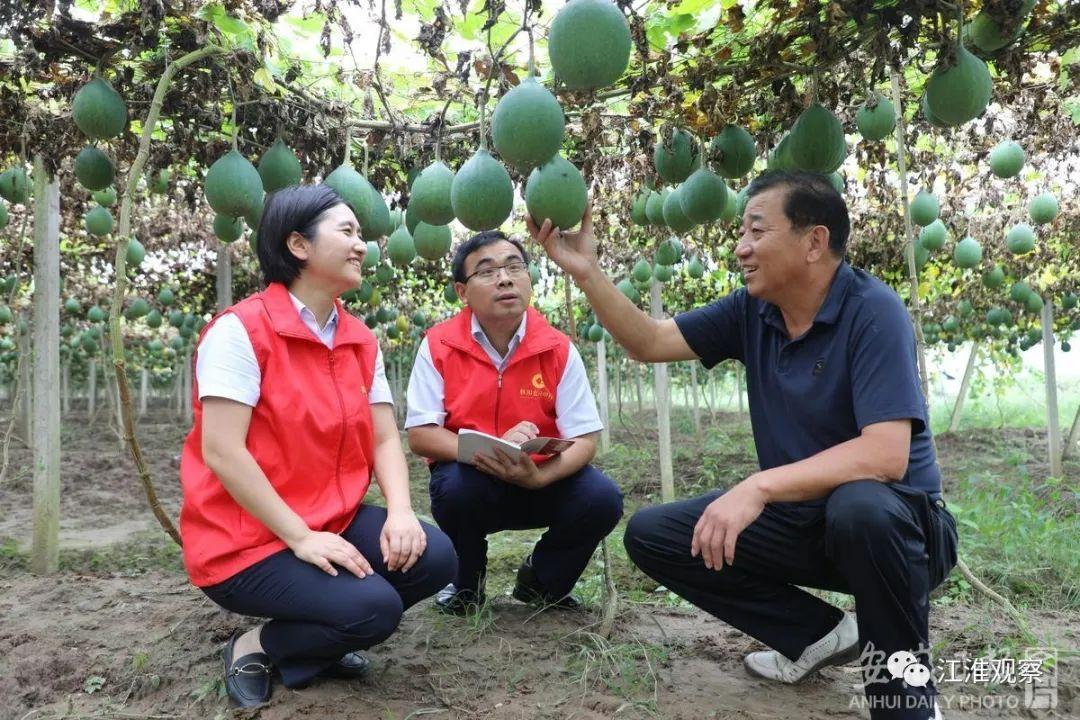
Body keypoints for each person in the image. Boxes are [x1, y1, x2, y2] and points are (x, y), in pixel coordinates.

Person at [527, 171, 958, 720]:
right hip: (806, 523)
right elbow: (649, 341)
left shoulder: (872, 310)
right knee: (657, 534)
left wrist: (757, 486)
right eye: (742, 231)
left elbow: (884, 455)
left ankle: (907, 705)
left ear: (814, 242)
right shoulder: (752, 311)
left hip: (902, 532)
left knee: (861, 507)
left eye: (757, 230)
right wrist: (587, 273)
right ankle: (816, 636)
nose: (741, 247)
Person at [178, 184, 456, 708]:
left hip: (330, 518)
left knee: (434, 557)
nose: (361, 246)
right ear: (299, 246)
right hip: (245, 539)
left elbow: (382, 435)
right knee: (375, 608)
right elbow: (222, 451)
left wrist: (401, 511)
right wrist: (301, 537)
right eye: (347, 232)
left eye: (361, 234)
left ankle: (325, 632)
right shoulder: (239, 331)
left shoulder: (358, 337)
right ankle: (256, 644)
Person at [405, 230, 623, 615]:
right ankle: (466, 585)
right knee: (455, 488)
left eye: (514, 267)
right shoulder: (438, 344)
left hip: (537, 479)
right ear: (462, 291)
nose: (505, 278)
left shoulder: (557, 348)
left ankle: (541, 582)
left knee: (601, 497)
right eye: (487, 271)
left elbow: (585, 440)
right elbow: (421, 435)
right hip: (473, 478)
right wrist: (489, 448)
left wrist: (537, 477)